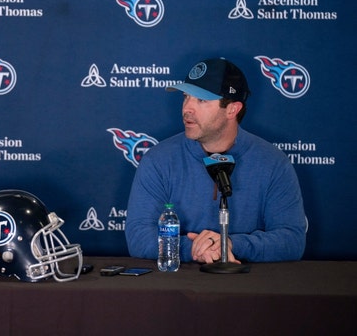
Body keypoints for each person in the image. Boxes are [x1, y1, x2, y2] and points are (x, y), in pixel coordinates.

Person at [125, 57, 306, 264]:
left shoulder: (273, 163)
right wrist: (193, 248)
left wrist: (230, 244)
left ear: (232, 109)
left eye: (201, 100)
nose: (187, 109)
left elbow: (292, 241)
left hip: (248, 286)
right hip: (179, 286)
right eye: (186, 97)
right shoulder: (158, 160)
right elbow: (138, 236)